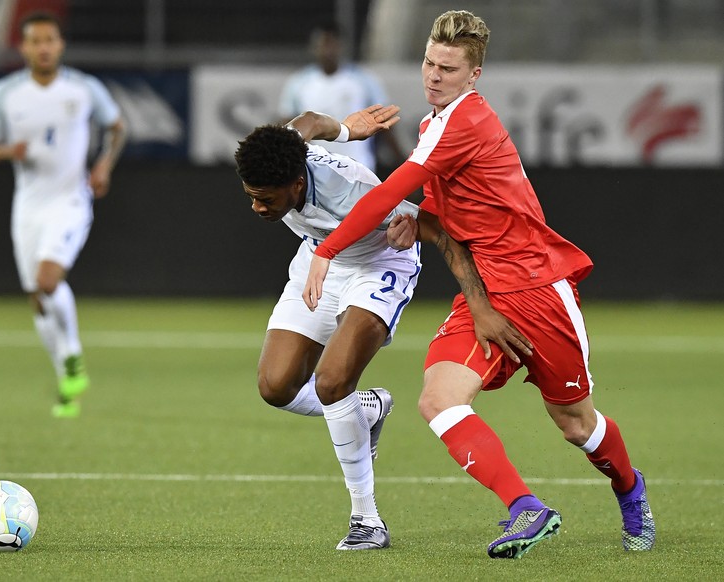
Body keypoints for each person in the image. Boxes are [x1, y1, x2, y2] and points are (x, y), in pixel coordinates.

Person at [302, 10, 655, 559]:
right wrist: (418, 220)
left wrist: (327, 250)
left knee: (574, 423)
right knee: (438, 400)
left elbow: (388, 189)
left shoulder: (465, 120)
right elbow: (447, 212)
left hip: (537, 289)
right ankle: (526, 509)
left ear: (475, 75)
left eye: (448, 67)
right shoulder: (433, 125)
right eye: (428, 62)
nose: (434, 75)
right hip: (483, 293)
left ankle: (630, 489)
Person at [234, 104, 530, 551]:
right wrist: (347, 130)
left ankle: (366, 521)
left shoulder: (348, 192)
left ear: (297, 184)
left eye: (266, 199)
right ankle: (367, 409)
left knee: (333, 381)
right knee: (275, 386)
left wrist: (479, 304)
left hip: (377, 264)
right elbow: (310, 121)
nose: (257, 207)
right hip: (320, 261)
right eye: (251, 196)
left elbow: (440, 232)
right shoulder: (283, 154)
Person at [0, 12, 126, 419]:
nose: (43, 48)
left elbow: (117, 127)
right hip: (28, 206)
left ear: (60, 45)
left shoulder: (83, 88)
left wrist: (104, 166)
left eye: (49, 40)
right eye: (34, 41)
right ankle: (66, 381)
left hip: (70, 201)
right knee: (38, 300)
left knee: (47, 280)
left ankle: (72, 353)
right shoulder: (6, 93)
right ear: (22, 47)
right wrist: (9, 151)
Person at [278, 22, 404, 173]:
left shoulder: (364, 80)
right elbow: (288, 128)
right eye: (323, 44)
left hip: (359, 168)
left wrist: (400, 162)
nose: (328, 50)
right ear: (314, 47)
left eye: (332, 44)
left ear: (341, 46)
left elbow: (385, 125)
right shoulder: (299, 83)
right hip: (316, 170)